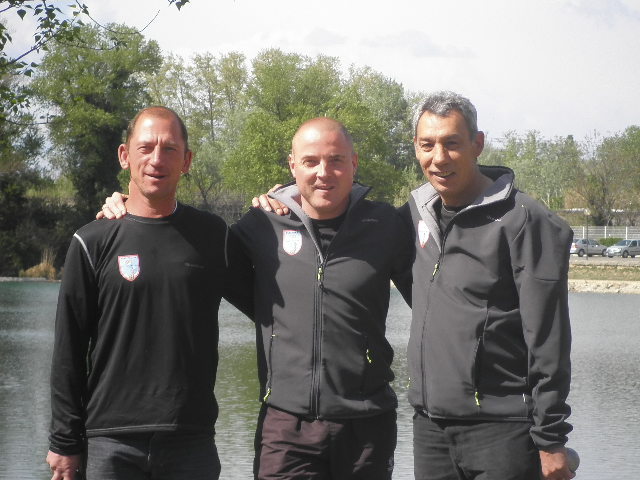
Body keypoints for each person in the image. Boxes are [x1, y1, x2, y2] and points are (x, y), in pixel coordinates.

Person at [100, 117, 414, 479]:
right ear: (293, 166)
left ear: (354, 163)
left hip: (367, 424)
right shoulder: (262, 224)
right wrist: (130, 205)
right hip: (285, 427)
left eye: (336, 160)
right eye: (311, 161)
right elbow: (184, 242)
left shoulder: (387, 225)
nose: (323, 172)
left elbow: (435, 290)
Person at [46, 106, 253, 480]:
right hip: (110, 443)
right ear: (125, 156)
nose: (157, 159)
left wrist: (284, 203)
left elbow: (273, 307)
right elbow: (68, 351)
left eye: (170, 149)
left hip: (190, 442)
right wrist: (64, 440)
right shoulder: (91, 241)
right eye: (145, 148)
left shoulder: (213, 236)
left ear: (187, 160)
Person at [404, 91, 574, 480]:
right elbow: (345, 215)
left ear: (478, 144)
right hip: (430, 428)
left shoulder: (525, 220)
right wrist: (287, 197)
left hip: (503, 431)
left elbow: (548, 339)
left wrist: (550, 438)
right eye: (427, 145)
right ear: (415, 147)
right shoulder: (418, 213)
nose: (439, 157)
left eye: (452, 143)